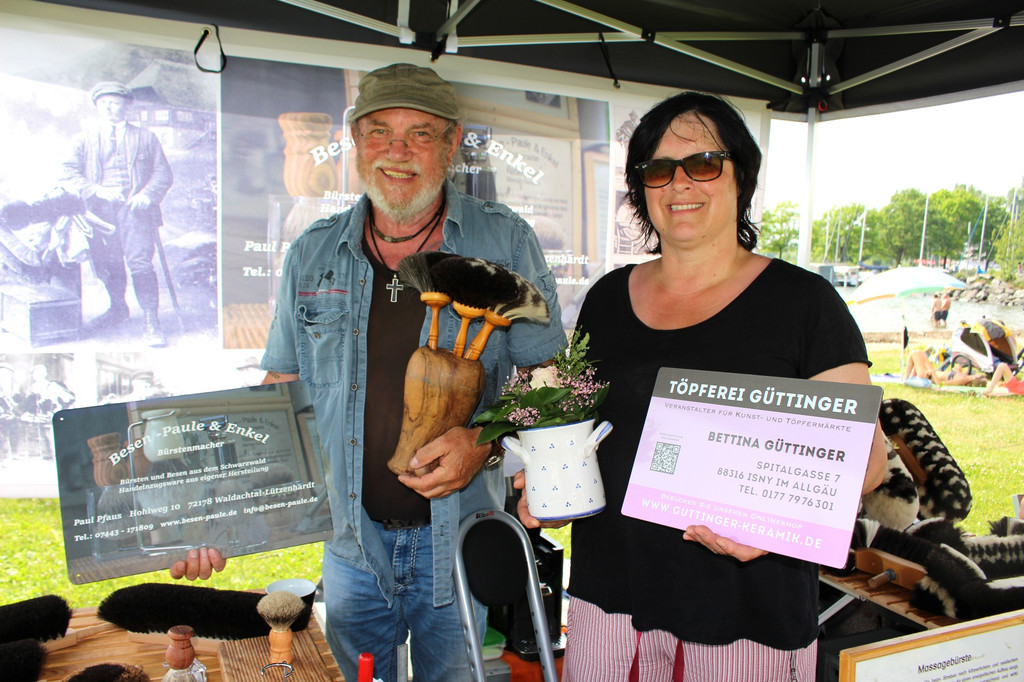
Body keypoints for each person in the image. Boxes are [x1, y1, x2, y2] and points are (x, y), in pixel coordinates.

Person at [171, 63, 565, 682]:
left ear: (452, 142)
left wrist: (482, 443)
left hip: (458, 539)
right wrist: (220, 516)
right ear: (356, 141)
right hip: (352, 545)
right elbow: (280, 401)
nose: (397, 152)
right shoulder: (313, 252)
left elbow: (553, 385)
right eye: (379, 132)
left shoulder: (504, 241)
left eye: (420, 135)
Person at [516, 92, 888, 681]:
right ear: (641, 191)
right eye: (658, 170)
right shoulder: (608, 299)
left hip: (744, 612)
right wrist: (547, 474)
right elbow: (578, 419)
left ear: (743, 177)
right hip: (610, 603)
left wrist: (771, 529)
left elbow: (866, 459)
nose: (679, 184)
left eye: (704, 164)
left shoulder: (803, 303)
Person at [60, 81, 174, 347]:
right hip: (99, 214)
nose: (109, 108)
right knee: (107, 265)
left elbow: (162, 173)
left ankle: (151, 321)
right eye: (103, 103)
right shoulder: (84, 138)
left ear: (127, 105)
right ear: (97, 107)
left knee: (141, 265)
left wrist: (146, 195)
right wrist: (96, 190)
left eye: (114, 102)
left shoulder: (146, 137)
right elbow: (67, 171)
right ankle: (118, 309)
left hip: (136, 212)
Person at [902, 349, 986, 387]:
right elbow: (948, 376)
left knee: (914, 353)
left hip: (928, 375)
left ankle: (906, 379)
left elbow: (940, 384)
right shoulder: (964, 377)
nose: (979, 374)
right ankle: (911, 377)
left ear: (977, 377)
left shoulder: (961, 380)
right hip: (932, 372)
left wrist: (933, 373)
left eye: (980, 375)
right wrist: (957, 370)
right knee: (918, 352)